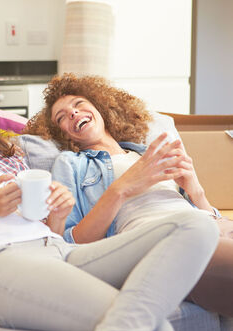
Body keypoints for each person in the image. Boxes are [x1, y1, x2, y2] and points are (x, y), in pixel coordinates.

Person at [0, 61, 219, 331]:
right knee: (152, 323)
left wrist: (58, 214)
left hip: (58, 250)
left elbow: (48, 228)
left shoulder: (4, 153)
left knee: (194, 228)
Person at [23, 73, 233, 317]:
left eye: (79, 104)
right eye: (61, 117)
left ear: (100, 109)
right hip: (160, 240)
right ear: (64, 135)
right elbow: (70, 243)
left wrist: (196, 190)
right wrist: (121, 189)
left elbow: (212, 221)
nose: (72, 113)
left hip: (209, 229)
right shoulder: (71, 164)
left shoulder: (146, 153)